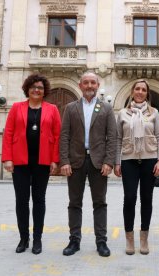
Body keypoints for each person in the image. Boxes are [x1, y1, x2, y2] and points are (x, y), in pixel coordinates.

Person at [2, 73, 61, 255]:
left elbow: (57, 136)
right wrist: (7, 158)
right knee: (21, 200)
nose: (37, 90)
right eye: (33, 87)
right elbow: (8, 133)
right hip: (20, 161)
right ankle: (23, 238)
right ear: (27, 89)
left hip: (42, 161)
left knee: (39, 200)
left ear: (45, 91)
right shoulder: (16, 108)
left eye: (40, 87)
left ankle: (37, 239)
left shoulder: (52, 109)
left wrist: (54, 160)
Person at [60, 72, 117, 257]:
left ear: (98, 84)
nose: (89, 85)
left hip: (98, 162)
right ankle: (74, 241)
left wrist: (109, 161)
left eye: (93, 82)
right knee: (74, 203)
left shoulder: (106, 108)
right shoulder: (70, 108)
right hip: (75, 161)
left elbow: (112, 137)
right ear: (80, 85)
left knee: (99, 203)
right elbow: (64, 136)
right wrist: (65, 161)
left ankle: (101, 242)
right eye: (86, 82)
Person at [114, 79, 159, 255]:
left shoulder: (154, 113)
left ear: (147, 93)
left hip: (149, 160)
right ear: (132, 91)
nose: (140, 92)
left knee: (146, 199)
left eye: (143, 89)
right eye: (137, 88)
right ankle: (129, 239)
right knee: (129, 198)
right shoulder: (122, 113)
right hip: (129, 160)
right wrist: (117, 161)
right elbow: (118, 138)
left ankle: (144, 238)